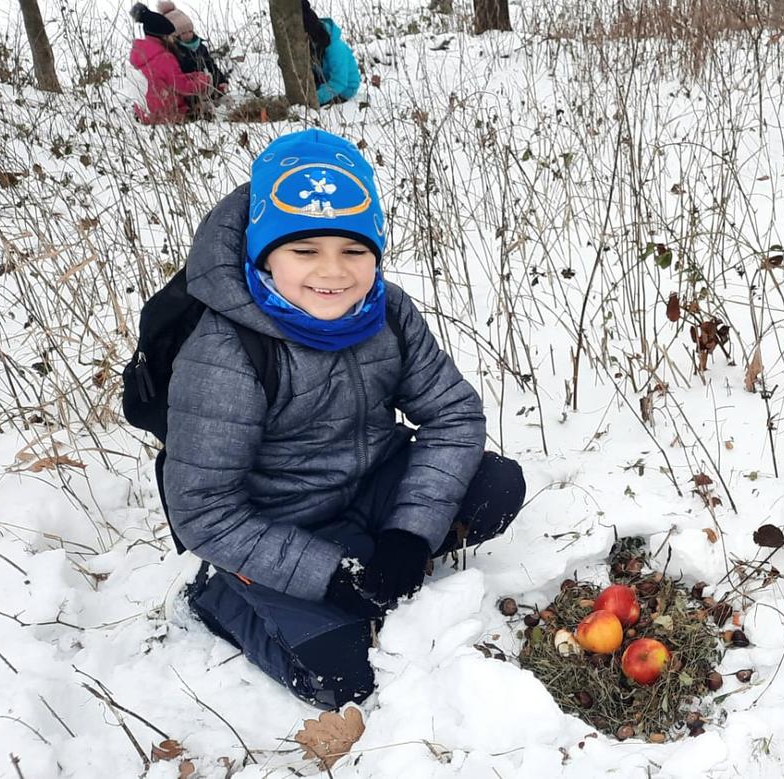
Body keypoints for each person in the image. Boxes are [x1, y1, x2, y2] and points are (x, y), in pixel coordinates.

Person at [163, 129, 526, 708]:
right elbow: (204, 511)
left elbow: (453, 414)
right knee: (346, 681)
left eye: (354, 251)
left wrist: (410, 533)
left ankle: (373, 558)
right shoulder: (225, 354)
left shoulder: (387, 311)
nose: (333, 272)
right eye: (304, 251)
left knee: (497, 486)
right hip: (279, 524)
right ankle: (222, 598)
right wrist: (327, 574)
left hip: (370, 490)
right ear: (264, 255)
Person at [128, 3, 210, 124]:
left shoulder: (142, 53)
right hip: (169, 113)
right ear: (163, 36)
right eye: (171, 36)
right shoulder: (164, 58)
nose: (174, 39)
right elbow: (181, 86)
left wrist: (193, 75)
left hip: (150, 109)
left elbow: (167, 79)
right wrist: (203, 81)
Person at [157, 0, 229, 99]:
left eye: (190, 31)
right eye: (183, 33)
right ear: (175, 35)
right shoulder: (174, 52)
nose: (188, 35)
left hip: (208, 88)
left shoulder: (200, 47)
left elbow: (211, 65)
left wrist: (221, 81)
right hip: (189, 95)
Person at [301, 0, 360, 106]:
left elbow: (339, 82)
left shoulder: (336, 48)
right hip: (325, 82)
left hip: (345, 89)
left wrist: (315, 99)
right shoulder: (311, 45)